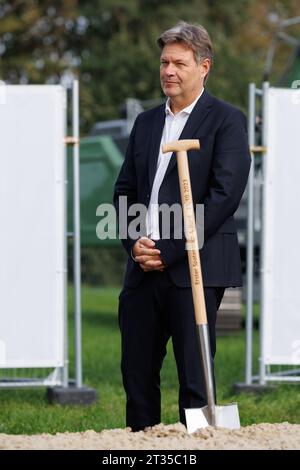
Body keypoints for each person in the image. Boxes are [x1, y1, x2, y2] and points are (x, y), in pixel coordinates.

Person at [113, 21, 251, 431]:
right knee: (136, 376)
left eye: (179, 63)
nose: (168, 71)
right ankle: (140, 448)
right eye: (164, 62)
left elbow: (225, 196)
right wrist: (134, 244)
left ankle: (195, 448)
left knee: (195, 381)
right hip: (142, 265)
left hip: (195, 267)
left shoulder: (226, 120)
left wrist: (169, 250)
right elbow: (124, 190)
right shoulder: (146, 123)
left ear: (204, 67)